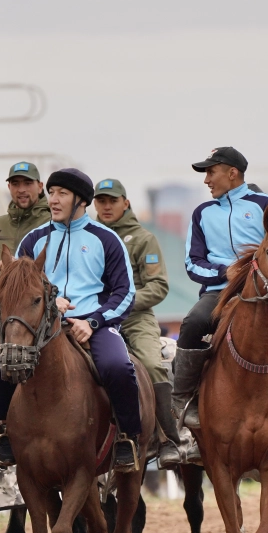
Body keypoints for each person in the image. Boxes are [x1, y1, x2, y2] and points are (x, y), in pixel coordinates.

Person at [0, 168, 143, 472]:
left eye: (62, 194)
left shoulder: (106, 239)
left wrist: (95, 322)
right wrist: (49, 302)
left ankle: (127, 438)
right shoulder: (33, 240)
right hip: (45, 326)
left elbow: (125, 292)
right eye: (52, 193)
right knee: (0, 365)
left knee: (118, 366)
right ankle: (6, 433)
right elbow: (18, 289)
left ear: (81, 200)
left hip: (94, 325)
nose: (54, 200)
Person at [172, 146, 268, 450]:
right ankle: (183, 404)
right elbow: (191, 262)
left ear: (232, 172)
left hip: (265, 292)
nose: (206, 180)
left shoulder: (265, 203)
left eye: (211, 172)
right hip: (219, 292)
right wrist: (223, 272)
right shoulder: (202, 213)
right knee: (194, 323)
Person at [93, 177, 189, 468]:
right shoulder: (88, 237)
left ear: (126, 203)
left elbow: (158, 286)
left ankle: (168, 439)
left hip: (135, 317)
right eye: (101, 201)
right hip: (92, 318)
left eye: (113, 200)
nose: (107, 206)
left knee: (150, 362)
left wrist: (119, 303)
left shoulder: (144, 239)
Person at [0, 161, 51, 265]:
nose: (21, 189)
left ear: (40, 187)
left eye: (28, 183)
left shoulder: (52, 224)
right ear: (9, 187)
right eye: (15, 184)